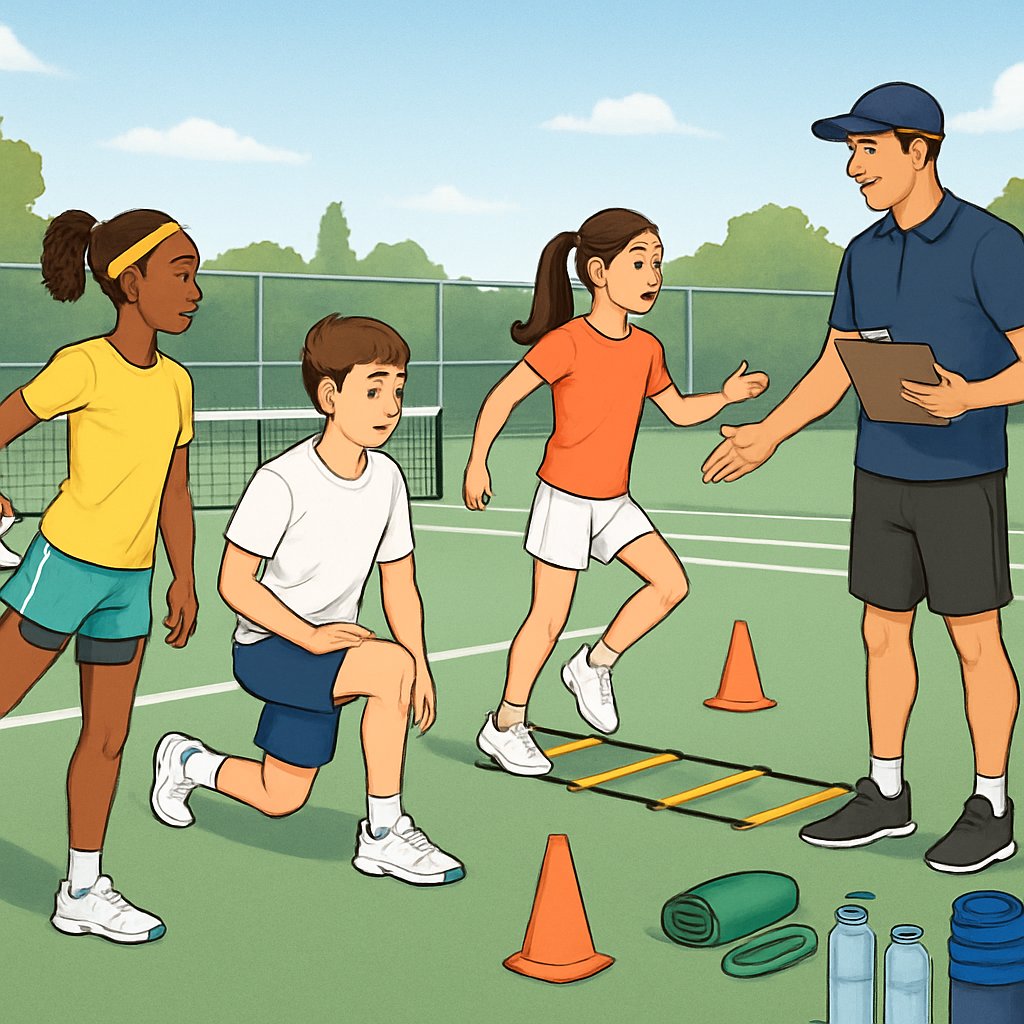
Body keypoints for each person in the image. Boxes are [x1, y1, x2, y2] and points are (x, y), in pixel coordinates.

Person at [702, 82, 1024, 874]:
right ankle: (886, 794)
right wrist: (769, 434)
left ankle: (991, 806)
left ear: (920, 151)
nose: (853, 167)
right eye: (850, 150)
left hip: (962, 477)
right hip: (880, 475)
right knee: (883, 632)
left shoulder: (991, 244)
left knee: (974, 642)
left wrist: (969, 396)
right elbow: (837, 365)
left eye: (867, 149)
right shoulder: (864, 254)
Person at [151, 314, 464, 887]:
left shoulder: (390, 479)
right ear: (329, 395)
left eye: (397, 390)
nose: (390, 405)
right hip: (271, 648)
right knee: (387, 666)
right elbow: (235, 584)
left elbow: (400, 583)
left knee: (279, 796)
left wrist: (422, 665)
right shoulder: (282, 481)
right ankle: (383, 834)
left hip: (326, 653)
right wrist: (315, 637)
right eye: (372, 390)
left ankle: (186, 762)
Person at [465, 208, 768, 775]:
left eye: (658, 263)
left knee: (670, 583)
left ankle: (593, 664)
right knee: (547, 618)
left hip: (614, 500)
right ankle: (505, 725)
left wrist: (726, 397)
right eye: (640, 262)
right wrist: (477, 463)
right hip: (564, 497)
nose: (654, 275)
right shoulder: (567, 343)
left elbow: (677, 411)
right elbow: (502, 398)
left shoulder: (646, 349)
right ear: (598, 272)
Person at [0, 209, 200, 941]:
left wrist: (183, 577)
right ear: (128, 280)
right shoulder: (82, 365)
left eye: (195, 274)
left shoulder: (176, 383)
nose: (194, 291)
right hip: (65, 567)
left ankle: (83, 889)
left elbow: (175, 490)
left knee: (108, 739)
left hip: (129, 584)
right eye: (180, 273)